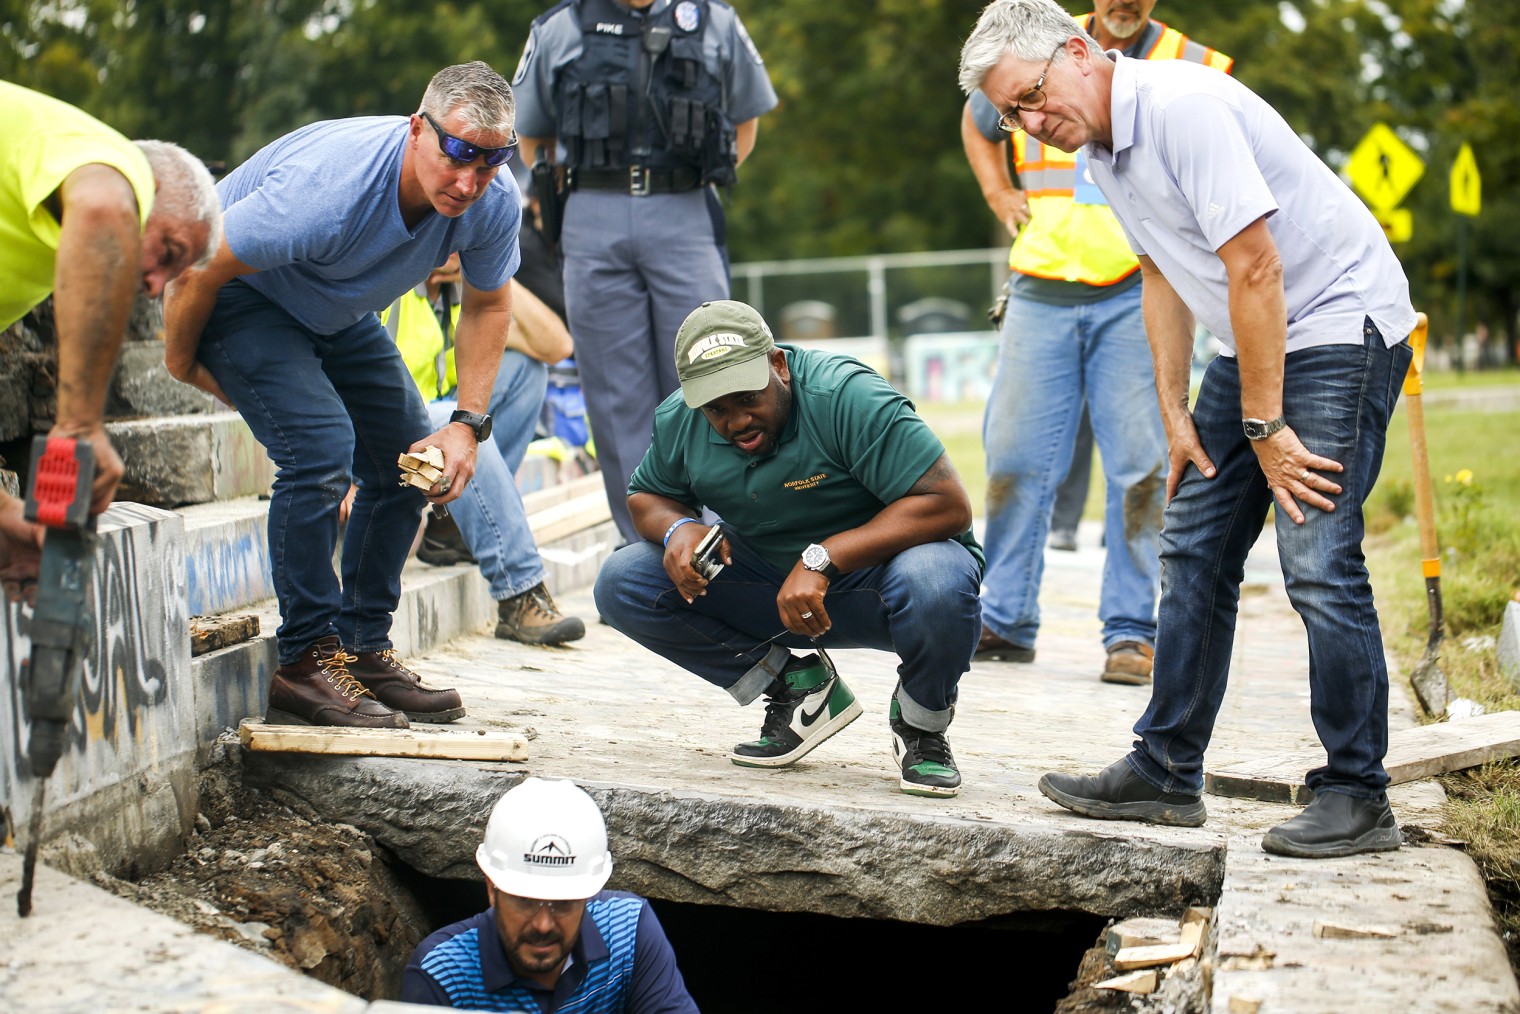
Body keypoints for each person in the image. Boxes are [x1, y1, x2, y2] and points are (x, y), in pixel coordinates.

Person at [960, 0, 1416, 857]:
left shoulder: (1183, 108)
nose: (1030, 123)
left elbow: (1258, 263)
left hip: (1336, 324)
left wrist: (1266, 423)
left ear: (1076, 50)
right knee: (1195, 544)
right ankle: (1165, 770)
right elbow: (1162, 272)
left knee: (1315, 555)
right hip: (1260, 336)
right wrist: (1176, 412)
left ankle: (1358, 793)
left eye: (1031, 96)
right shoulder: (1102, 151)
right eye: (1013, 114)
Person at [163, 62, 523, 730]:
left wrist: (466, 425)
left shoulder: (491, 200)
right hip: (245, 294)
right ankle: (304, 662)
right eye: (459, 156)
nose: (470, 182)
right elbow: (198, 263)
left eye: (491, 163)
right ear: (419, 130)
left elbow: (490, 302)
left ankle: (362, 650)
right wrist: (182, 360)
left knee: (410, 459)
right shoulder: (328, 190)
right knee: (319, 448)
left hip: (332, 311)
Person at [595, 301, 984, 797]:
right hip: (772, 590)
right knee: (625, 580)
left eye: (746, 398)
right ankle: (798, 689)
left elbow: (947, 504)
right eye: (717, 408)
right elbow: (647, 495)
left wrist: (822, 557)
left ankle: (921, 726)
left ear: (778, 365)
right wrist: (677, 530)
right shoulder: (680, 420)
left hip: (883, 587)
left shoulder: (846, 395)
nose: (736, 421)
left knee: (937, 576)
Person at [964, 0, 1231, 686]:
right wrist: (999, 193)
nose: (1122, 3)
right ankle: (1005, 618)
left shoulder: (1192, 62)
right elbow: (976, 118)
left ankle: (1132, 632)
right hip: (1042, 282)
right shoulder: (1037, 48)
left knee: (1141, 467)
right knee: (1015, 460)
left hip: (1135, 286)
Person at [510, 0, 779, 545]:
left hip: (683, 206)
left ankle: (722, 544)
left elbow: (746, 122)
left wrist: (693, 176)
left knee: (714, 373)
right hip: (592, 212)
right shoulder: (562, 26)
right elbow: (531, 134)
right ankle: (648, 551)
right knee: (615, 398)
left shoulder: (714, 22)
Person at [2, 82, 221, 597]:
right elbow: (104, 208)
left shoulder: (29, 267)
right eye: (168, 251)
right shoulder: (103, 157)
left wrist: (7, 520)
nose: (151, 287)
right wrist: (77, 424)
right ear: (144, 188)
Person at [384, 239, 586, 646]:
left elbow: (557, 346)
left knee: (528, 370)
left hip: (437, 438)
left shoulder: (464, 291)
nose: (455, 243)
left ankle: (450, 526)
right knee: (456, 423)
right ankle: (519, 593)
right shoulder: (391, 284)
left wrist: (486, 273)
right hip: (389, 434)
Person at [403, 777, 697, 1013]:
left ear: (587, 896)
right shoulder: (443, 973)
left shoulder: (629, 932)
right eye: (525, 901)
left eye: (563, 904)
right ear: (492, 889)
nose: (543, 924)